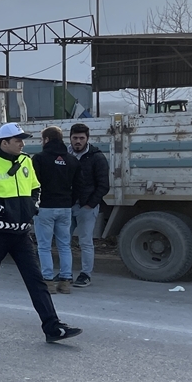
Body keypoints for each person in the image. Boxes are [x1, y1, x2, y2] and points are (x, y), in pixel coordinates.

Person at [0, 122, 82, 344]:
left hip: (21, 234)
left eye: (23, 139)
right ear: (4, 143)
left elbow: (36, 188)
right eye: (18, 140)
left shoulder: (26, 161)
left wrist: (31, 207)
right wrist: (5, 211)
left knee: (36, 280)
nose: (22, 143)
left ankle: (52, 327)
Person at [31, 125, 80, 294]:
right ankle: (65, 282)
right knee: (64, 245)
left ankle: (48, 282)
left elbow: (33, 184)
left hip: (45, 207)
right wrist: (69, 201)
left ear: (46, 140)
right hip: (65, 207)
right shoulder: (72, 160)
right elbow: (78, 186)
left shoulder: (39, 158)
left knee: (44, 246)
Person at [69, 122, 110, 288]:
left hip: (86, 207)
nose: (78, 141)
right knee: (63, 241)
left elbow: (104, 185)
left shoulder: (97, 157)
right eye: (75, 138)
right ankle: (65, 273)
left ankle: (85, 274)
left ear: (87, 139)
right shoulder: (64, 155)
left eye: (81, 138)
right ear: (70, 138)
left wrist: (90, 204)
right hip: (67, 206)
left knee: (85, 242)